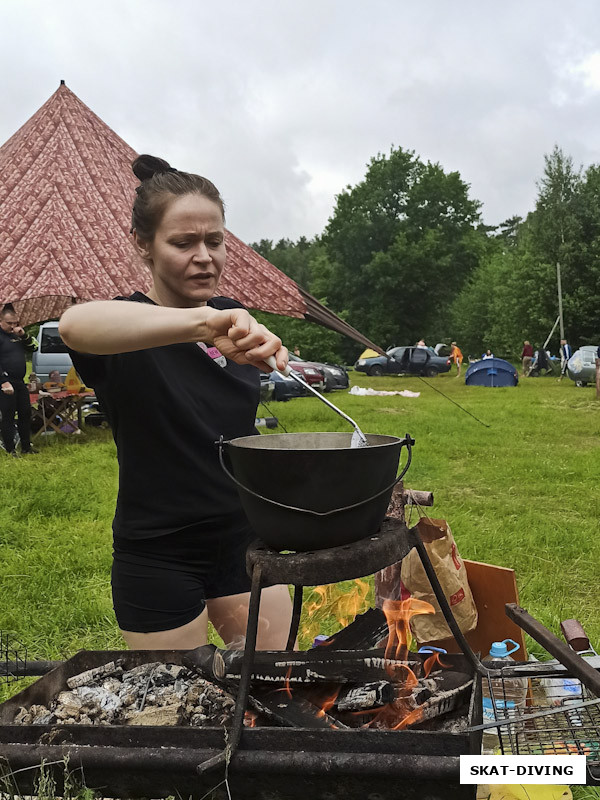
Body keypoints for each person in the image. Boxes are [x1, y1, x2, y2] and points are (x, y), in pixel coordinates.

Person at [59, 154, 293, 652]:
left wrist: (250, 335)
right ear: (142, 245)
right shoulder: (126, 327)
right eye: (183, 243)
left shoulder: (231, 315)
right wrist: (201, 323)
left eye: (215, 241)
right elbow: (73, 326)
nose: (204, 256)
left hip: (243, 534)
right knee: (179, 708)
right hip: (159, 550)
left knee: (278, 689)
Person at [0, 307, 38, 456]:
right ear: (1, 321)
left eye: (15, 323)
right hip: (5, 382)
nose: (13, 326)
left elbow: (34, 348)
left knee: (25, 413)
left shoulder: (18, 335)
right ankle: (10, 449)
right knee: (8, 415)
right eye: (9, 323)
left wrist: (24, 335)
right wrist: (3, 381)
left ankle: (26, 447)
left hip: (19, 381)